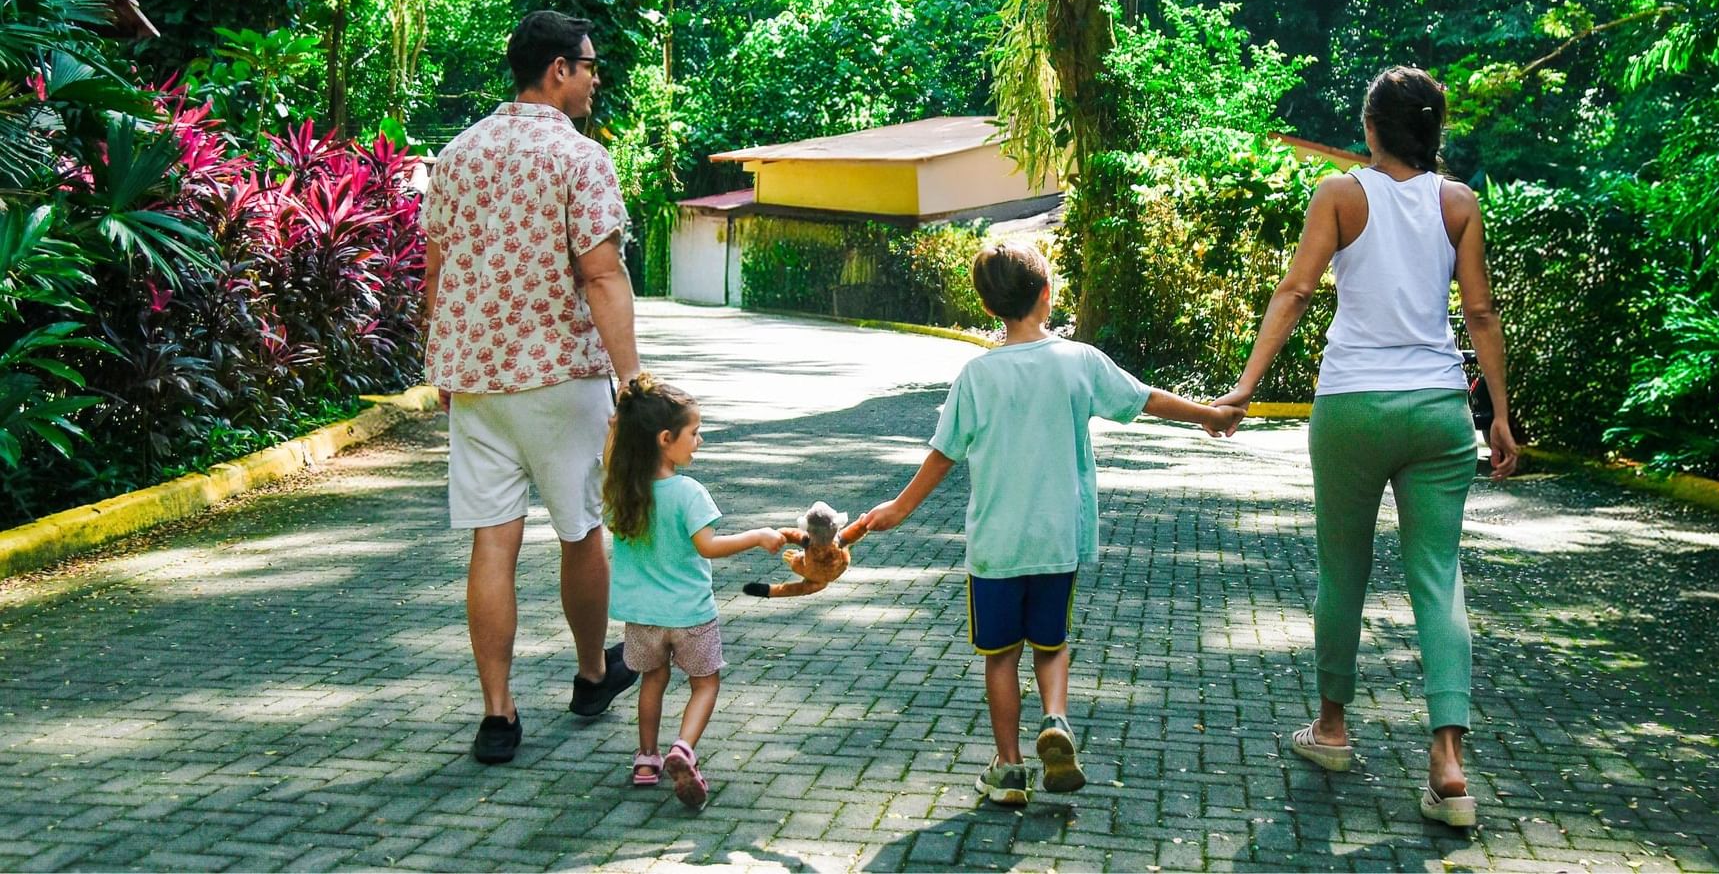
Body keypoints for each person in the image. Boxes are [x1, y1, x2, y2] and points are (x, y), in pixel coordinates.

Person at [1215, 65, 1516, 830]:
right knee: (1436, 576)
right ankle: (1447, 762)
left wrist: (1245, 388)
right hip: (1438, 411)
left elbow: (1295, 291)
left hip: (1351, 404)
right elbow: (1478, 312)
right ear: (1433, 129)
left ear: (1371, 127)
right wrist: (1499, 418)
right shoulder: (1458, 204)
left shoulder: (1341, 194)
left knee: (1340, 567)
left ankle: (1332, 728)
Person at [859, 241, 1244, 807]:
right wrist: (1210, 415)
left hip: (996, 546)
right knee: (1051, 644)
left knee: (1001, 657)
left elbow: (944, 454)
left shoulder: (976, 375)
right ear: (1046, 295)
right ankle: (1057, 720)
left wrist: (899, 508)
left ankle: (1010, 769)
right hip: (1056, 538)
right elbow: (1146, 399)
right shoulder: (1079, 361)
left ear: (989, 309)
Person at [423, 10, 642, 765]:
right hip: (559, 376)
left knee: (492, 539)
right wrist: (633, 378)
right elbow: (603, 273)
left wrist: (441, 361)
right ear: (556, 70)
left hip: (476, 381)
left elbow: (437, 270)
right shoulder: (580, 158)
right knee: (581, 529)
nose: (594, 76)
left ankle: (497, 715)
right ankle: (589, 675)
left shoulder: (456, 153)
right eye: (588, 64)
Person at [602, 375, 786, 810]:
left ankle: (646, 759)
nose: (699, 441)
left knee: (653, 679)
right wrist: (758, 536)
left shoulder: (622, 490)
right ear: (666, 439)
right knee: (705, 683)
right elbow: (709, 546)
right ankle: (683, 748)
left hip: (642, 616)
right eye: (694, 433)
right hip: (689, 614)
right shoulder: (688, 493)